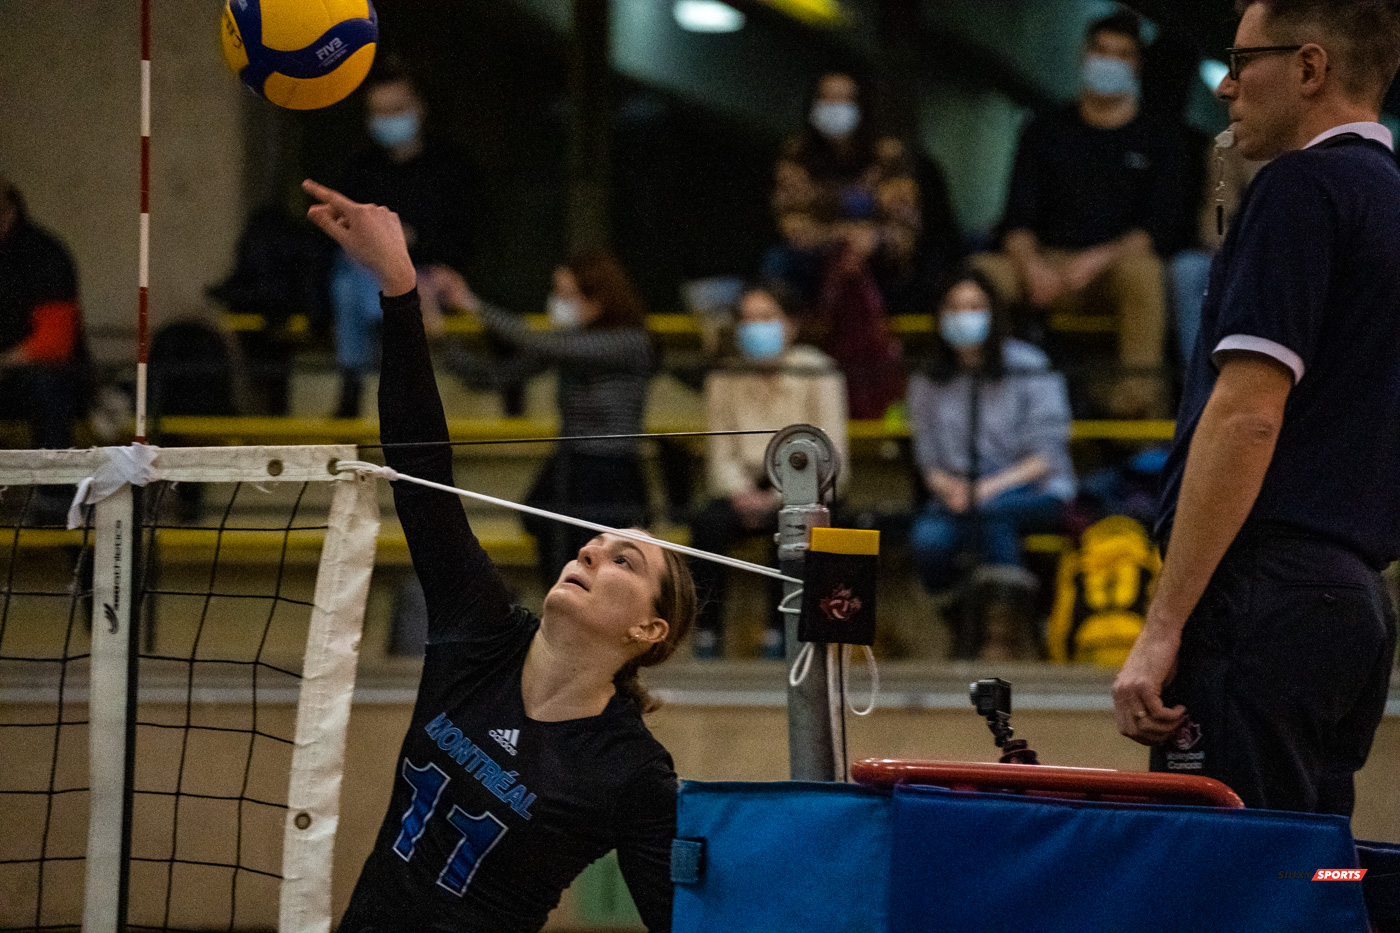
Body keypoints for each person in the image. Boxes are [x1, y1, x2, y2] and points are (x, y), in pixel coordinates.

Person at [303, 178, 695, 933]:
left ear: (650, 630)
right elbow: (421, 478)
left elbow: (682, 920)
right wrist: (399, 291)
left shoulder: (632, 771)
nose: (591, 548)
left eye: (625, 562)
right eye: (598, 542)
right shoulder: (477, 633)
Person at [1113, 0, 1400, 817]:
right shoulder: (1389, 202)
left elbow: (1247, 416)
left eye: (1244, 62)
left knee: (1224, 882)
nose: (1227, 87)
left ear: (1310, 68)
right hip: (1354, 611)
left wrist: (1164, 624)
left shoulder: (1301, 189)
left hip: (1262, 601)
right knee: (1316, 876)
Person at [973, 11, 1188, 418]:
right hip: (1045, 264)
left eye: (1121, 55)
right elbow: (1016, 219)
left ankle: (1135, 402)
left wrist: (1096, 261)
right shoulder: (1043, 128)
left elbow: (1156, 227)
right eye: (1101, 51)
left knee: (1145, 272)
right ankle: (982, 402)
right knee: (981, 275)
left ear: (1136, 66)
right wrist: (1032, 266)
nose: (1109, 62)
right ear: (1084, 55)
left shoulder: (1161, 137)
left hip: (1113, 267)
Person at [440, 252, 655, 593]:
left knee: (606, 561)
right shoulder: (569, 344)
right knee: (544, 526)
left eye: (567, 294)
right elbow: (495, 377)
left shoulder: (629, 342)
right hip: (571, 462)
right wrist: (437, 338)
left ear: (597, 298)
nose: (558, 303)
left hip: (611, 468)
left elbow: (539, 342)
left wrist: (472, 304)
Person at [907, 270, 1075, 660]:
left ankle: (1002, 637)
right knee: (928, 541)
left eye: (974, 307)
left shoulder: (1030, 365)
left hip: (1033, 488)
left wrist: (984, 490)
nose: (964, 316)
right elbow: (927, 458)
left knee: (992, 515)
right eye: (955, 308)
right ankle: (965, 621)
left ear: (994, 313)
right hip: (958, 494)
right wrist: (949, 488)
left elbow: (1047, 455)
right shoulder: (927, 380)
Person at [690, 284, 848, 660]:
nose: (755, 327)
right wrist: (741, 492)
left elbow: (834, 455)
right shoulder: (724, 377)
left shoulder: (818, 371)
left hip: (805, 487)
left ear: (791, 324)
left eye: (766, 318)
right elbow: (721, 455)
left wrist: (781, 497)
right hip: (742, 487)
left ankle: (783, 635)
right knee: (706, 524)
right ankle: (707, 634)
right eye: (748, 319)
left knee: (802, 525)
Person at [331, 60, 476, 417]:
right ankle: (402, 316)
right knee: (350, 282)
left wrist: (409, 247)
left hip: (430, 273)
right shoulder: (359, 170)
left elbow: (460, 240)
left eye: (396, 110)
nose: (388, 120)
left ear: (419, 107)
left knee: (379, 285)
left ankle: (372, 364)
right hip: (371, 274)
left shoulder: (451, 170)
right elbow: (347, 236)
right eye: (379, 112)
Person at [764, 70, 912, 419]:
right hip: (812, 265)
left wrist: (873, 240)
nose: (835, 107)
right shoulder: (797, 154)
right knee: (776, 265)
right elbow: (792, 223)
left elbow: (904, 227)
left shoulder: (888, 155)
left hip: (876, 267)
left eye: (844, 99)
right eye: (827, 99)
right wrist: (845, 237)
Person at [0, 177, 90, 458]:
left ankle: (55, 493)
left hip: (37, 375)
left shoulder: (43, 254)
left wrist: (3, 361)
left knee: (48, 383)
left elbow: (54, 344)